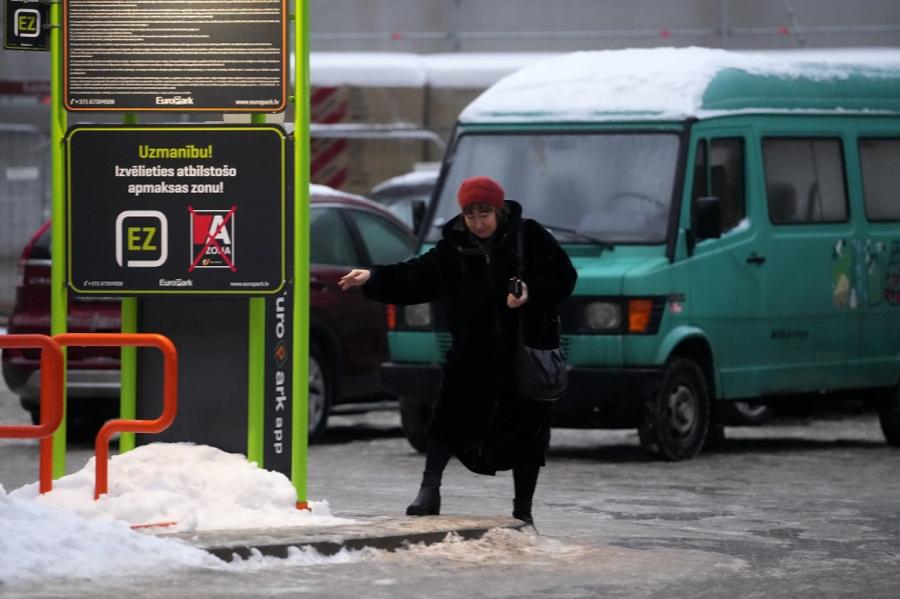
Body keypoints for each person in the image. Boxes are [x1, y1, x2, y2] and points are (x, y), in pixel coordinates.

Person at [338, 176, 576, 525]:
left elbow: (564, 277)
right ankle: (428, 490)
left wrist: (530, 292)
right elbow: (414, 276)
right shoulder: (452, 248)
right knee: (446, 420)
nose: (478, 223)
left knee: (529, 435)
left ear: (498, 210)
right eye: (470, 216)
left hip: (524, 353)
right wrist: (372, 278)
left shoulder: (530, 237)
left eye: (484, 215)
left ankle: (523, 511)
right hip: (472, 354)